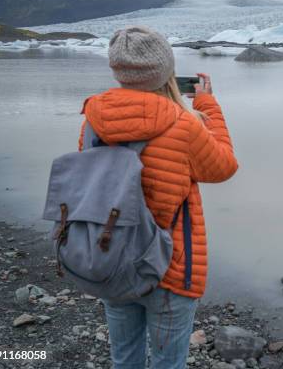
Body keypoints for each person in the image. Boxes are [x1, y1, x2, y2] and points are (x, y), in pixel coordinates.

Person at [77, 26, 238, 368]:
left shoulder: (93, 118)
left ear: (117, 69)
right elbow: (223, 167)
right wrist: (208, 106)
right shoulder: (184, 124)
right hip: (170, 265)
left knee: (125, 357)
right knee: (167, 361)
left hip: (111, 256)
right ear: (165, 71)